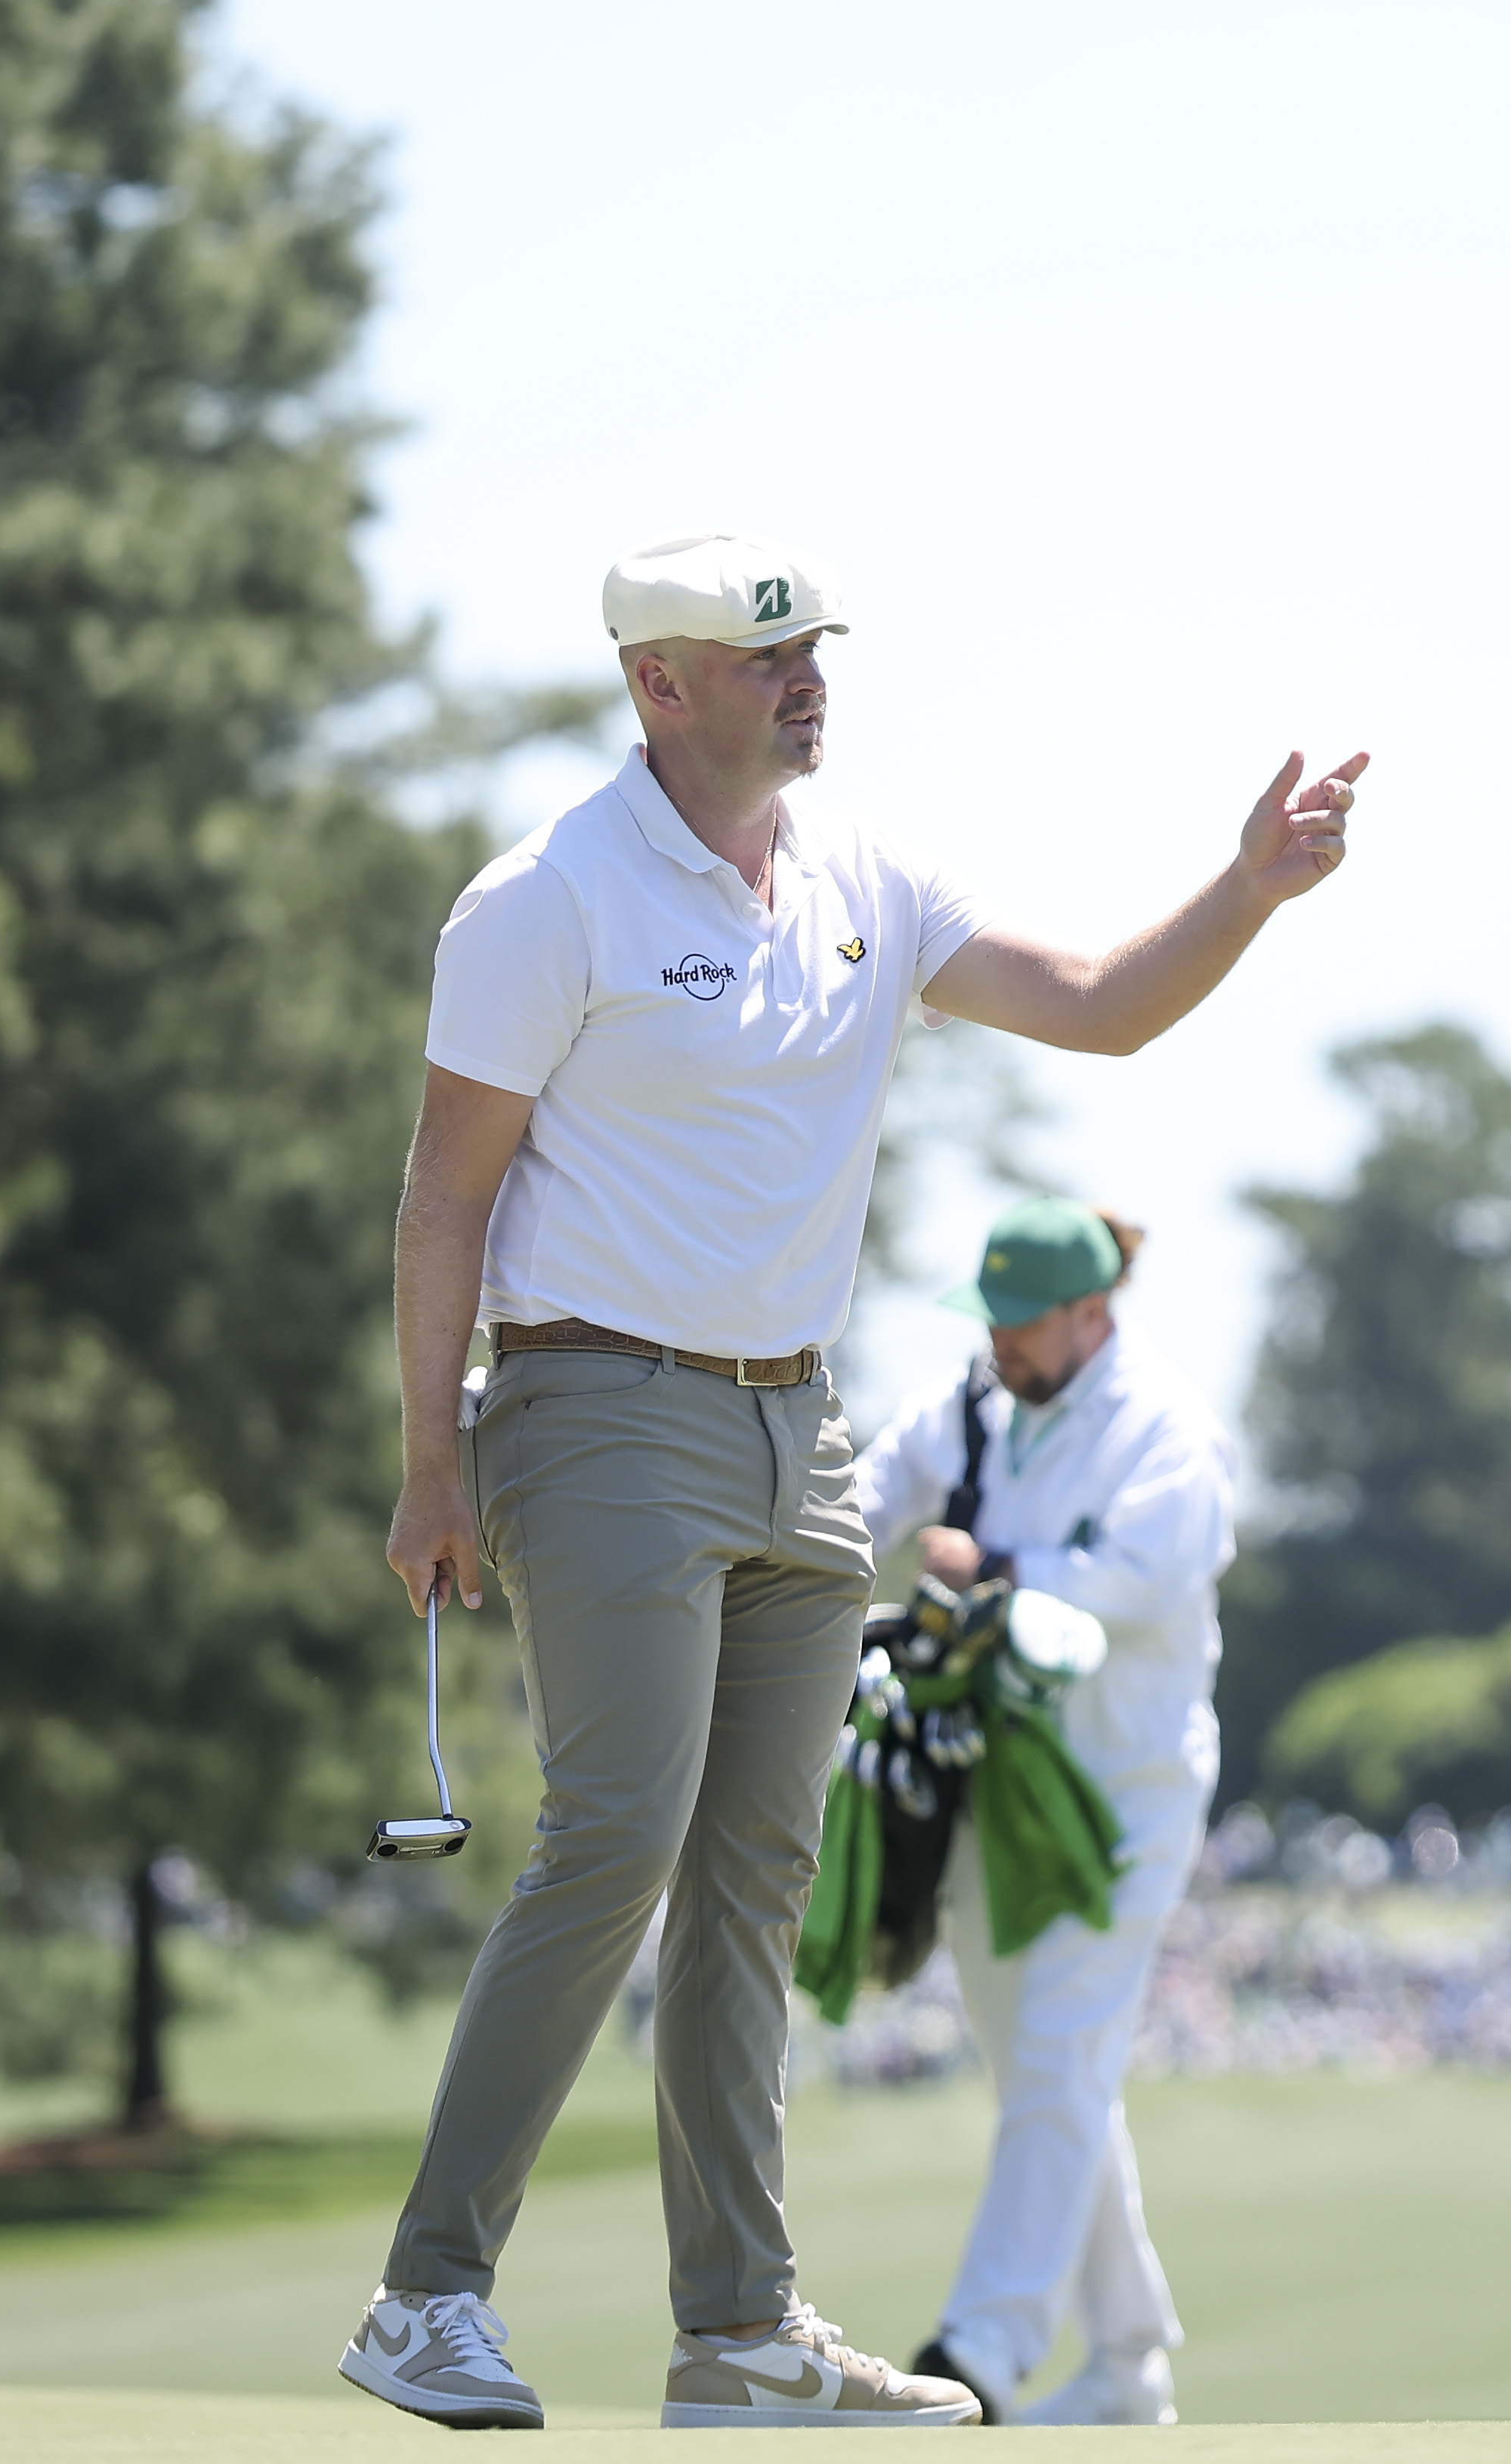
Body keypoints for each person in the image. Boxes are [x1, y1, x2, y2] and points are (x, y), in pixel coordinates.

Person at [338, 530, 1360, 2431]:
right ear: (660, 684)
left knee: (752, 1882)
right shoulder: (542, 899)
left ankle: (737, 2330)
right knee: (617, 1835)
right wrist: (429, 1463)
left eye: (816, 642)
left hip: (796, 1434)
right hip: (594, 1406)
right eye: (765, 652)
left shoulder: (865, 875)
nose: (809, 675)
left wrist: (1250, 887)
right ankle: (426, 2293)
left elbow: (1104, 1000)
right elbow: (444, 1195)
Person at [851, 1199, 1237, 2425]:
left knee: (1062, 2055)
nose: (1002, 1345)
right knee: (1046, 2071)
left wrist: (988, 1572)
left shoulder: (1167, 1429)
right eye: (993, 1322)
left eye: (1024, 1324)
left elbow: (1130, 1582)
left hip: (1123, 1793)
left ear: (1093, 1313)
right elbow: (868, 1498)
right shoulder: (976, 1399)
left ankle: (982, 2354)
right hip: (990, 1781)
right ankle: (1130, 2365)